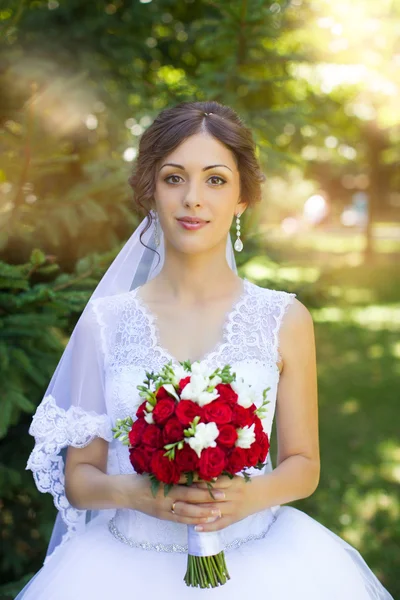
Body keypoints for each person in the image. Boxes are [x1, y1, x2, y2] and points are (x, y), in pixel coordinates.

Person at [16, 101, 393, 599]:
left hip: (260, 563)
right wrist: (142, 494)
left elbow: (303, 464)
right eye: (174, 178)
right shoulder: (105, 324)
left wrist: (247, 496)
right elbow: (81, 478)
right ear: (151, 191)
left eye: (215, 180)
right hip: (124, 566)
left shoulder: (284, 319)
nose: (193, 198)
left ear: (242, 198)